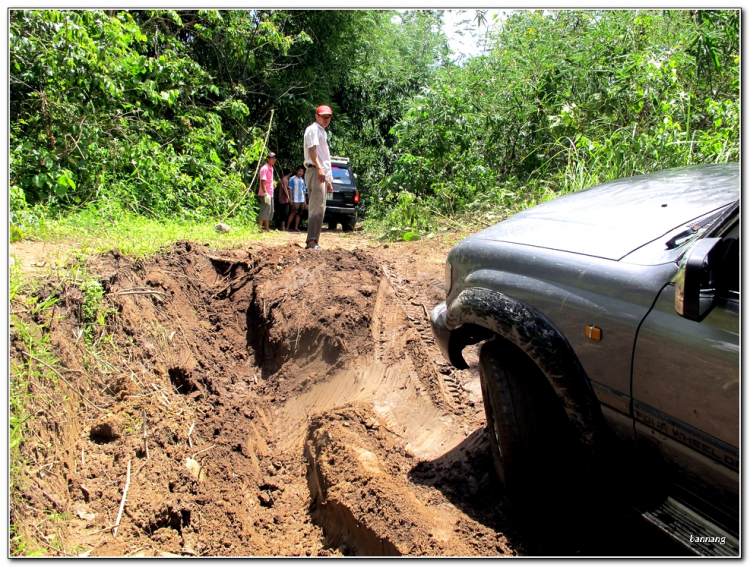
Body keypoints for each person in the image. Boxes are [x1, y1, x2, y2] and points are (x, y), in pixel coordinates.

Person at [303, 105, 334, 249]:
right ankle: (311, 241)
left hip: (319, 172)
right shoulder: (313, 129)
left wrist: (328, 179)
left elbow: (324, 156)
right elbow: (312, 150)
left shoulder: (321, 131)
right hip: (315, 170)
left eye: (328, 116)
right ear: (316, 116)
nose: (326, 119)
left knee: (320, 207)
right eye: (323, 116)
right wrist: (320, 169)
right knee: (316, 207)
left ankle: (314, 240)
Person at [257, 152, 276, 231]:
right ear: (268, 159)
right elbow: (262, 181)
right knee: (264, 210)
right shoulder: (264, 168)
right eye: (272, 158)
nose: (274, 160)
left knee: (269, 211)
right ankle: (260, 228)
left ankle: (267, 228)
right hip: (265, 193)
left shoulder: (271, 168)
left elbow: (269, 181)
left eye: (274, 158)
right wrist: (265, 193)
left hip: (270, 193)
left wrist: (273, 184)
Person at [287, 166, 307, 232]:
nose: (301, 173)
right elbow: (290, 189)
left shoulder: (302, 180)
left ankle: (295, 227)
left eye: (302, 171)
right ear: (297, 171)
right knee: (293, 213)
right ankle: (287, 227)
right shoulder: (292, 179)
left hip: (301, 199)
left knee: (299, 214)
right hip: (295, 199)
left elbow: (304, 190)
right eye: (299, 171)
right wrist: (290, 199)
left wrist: (304, 201)